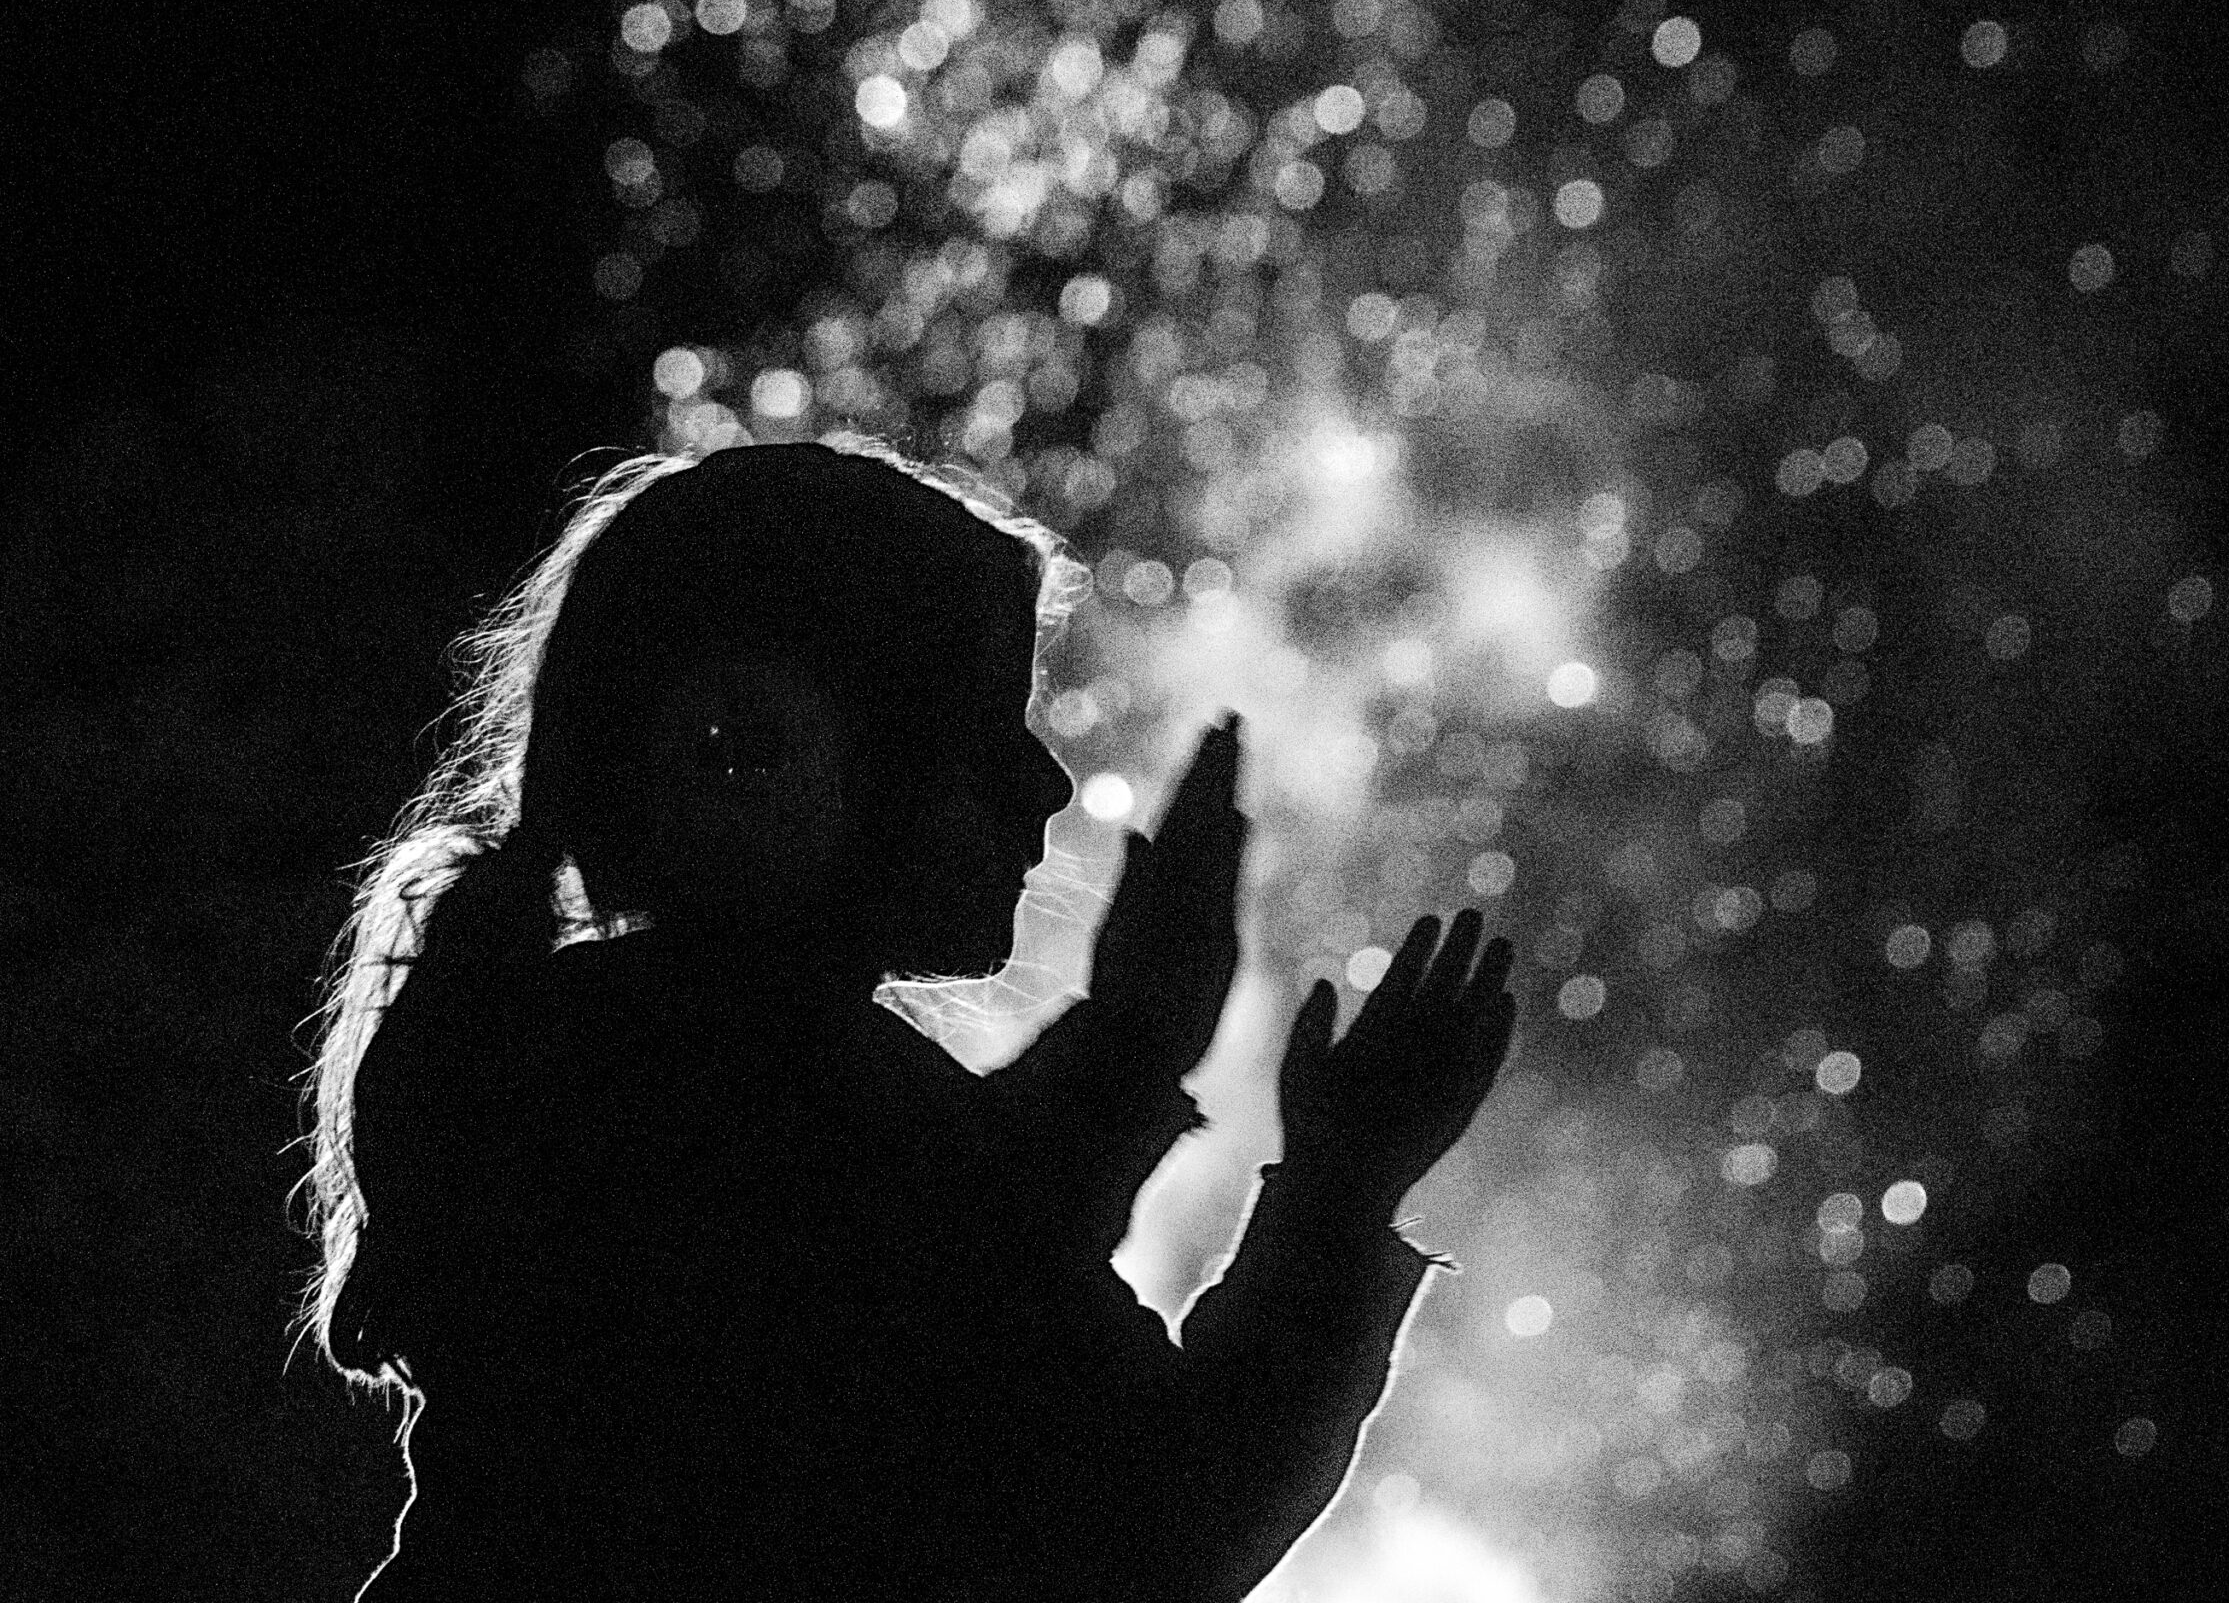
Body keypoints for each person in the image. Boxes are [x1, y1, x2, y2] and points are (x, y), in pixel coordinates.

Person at [296, 438, 1516, 1598]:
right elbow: (1143, 1518)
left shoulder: (598, 1058)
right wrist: (1320, 1175)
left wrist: (1153, 1059)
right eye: (978, 724)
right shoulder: (727, 1098)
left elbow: (980, 1303)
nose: (1040, 784)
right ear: (769, 750)